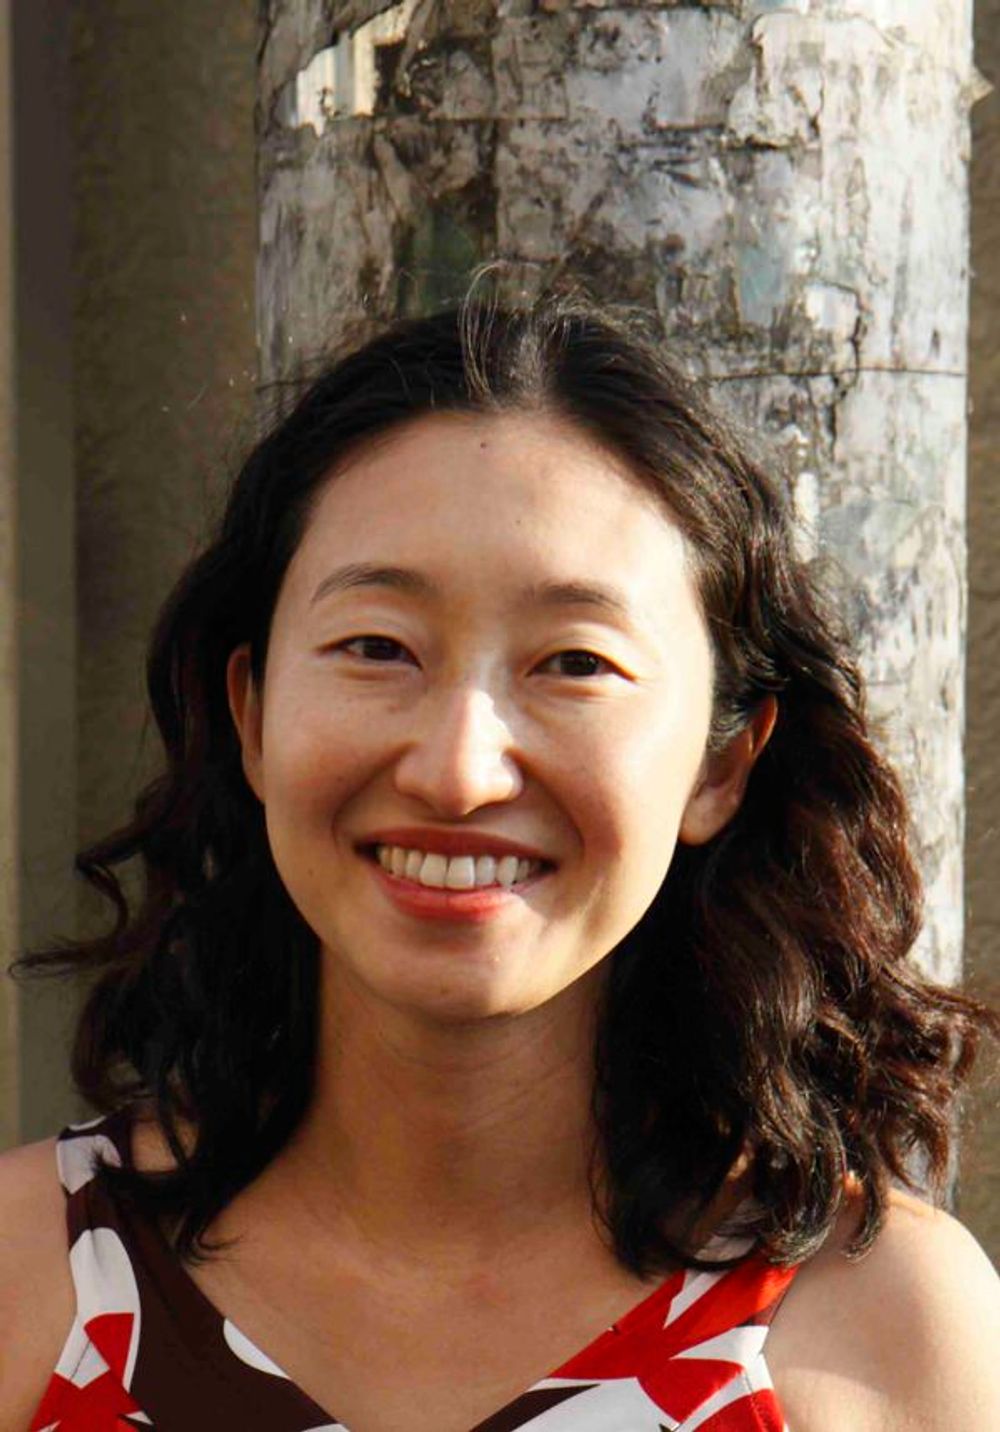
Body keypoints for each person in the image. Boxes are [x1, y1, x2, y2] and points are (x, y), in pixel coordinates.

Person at [1, 291, 999, 1432]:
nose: (459, 771)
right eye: (377, 646)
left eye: (574, 662)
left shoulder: (884, 1332)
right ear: (253, 714)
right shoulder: (28, 1279)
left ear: (723, 761)